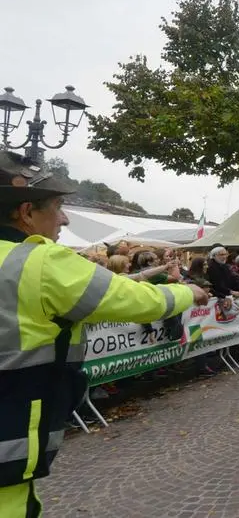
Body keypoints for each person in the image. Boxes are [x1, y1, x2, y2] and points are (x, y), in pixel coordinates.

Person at [0, 151, 207, 517]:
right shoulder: (39, 261)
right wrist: (187, 292)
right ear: (26, 212)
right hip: (10, 428)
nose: (64, 218)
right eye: (58, 205)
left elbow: (98, 289)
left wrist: (143, 274)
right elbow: (130, 300)